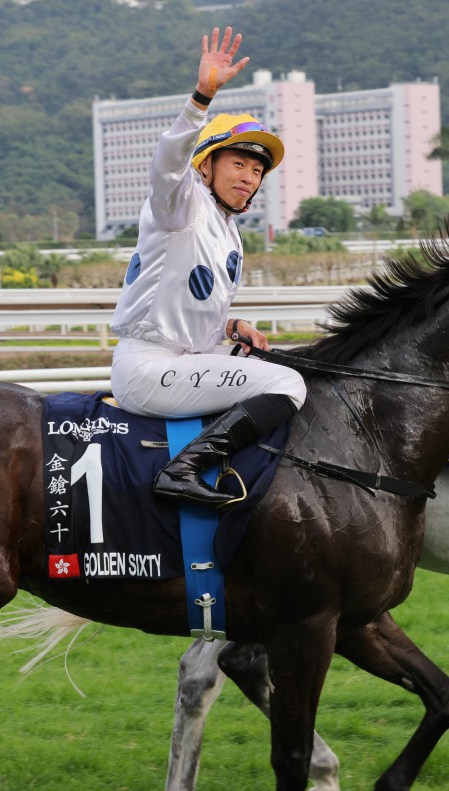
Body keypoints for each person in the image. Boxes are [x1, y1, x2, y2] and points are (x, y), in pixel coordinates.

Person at [110, 27, 307, 507]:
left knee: (284, 363)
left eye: (257, 171)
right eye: (238, 164)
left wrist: (231, 325)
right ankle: (185, 470)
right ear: (205, 166)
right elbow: (166, 164)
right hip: (151, 367)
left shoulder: (226, 227)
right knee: (288, 385)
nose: (249, 178)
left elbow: (188, 307)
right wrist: (203, 97)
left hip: (183, 361)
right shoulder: (181, 203)